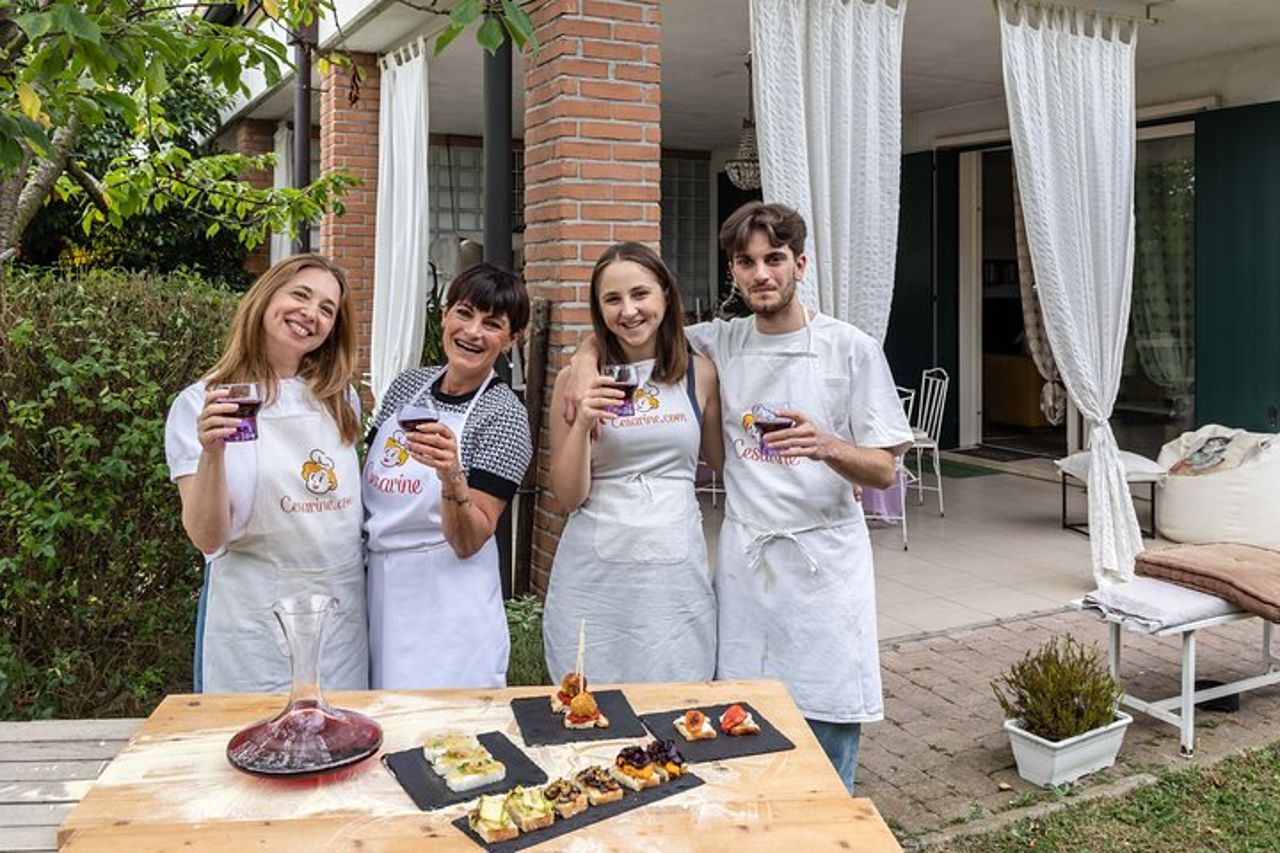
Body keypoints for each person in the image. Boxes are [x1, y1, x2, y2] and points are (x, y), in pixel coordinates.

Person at [564, 203, 912, 793]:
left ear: (799, 264)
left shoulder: (848, 349)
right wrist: (580, 361)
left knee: (823, 739)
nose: (761, 274)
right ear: (733, 272)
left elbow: (884, 470)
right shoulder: (718, 344)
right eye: (746, 263)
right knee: (740, 735)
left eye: (774, 259)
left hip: (823, 568)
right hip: (747, 571)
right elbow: (630, 329)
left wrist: (826, 445)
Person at [165, 253, 367, 694]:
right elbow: (207, 538)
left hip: (339, 619)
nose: (310, 313)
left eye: (327, 309)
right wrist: (211, 451)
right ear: (266, 296)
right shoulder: (203, 402)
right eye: (300, 294)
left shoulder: (339, 398)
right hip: (252, 622)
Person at [542, 242, 722, 685]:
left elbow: (727, 464)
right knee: (588, 703)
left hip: (674, 578)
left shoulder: (701, 374)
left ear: (665, 293)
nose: (629, 311)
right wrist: (583, 422)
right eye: (612, 299)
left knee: (677, 701)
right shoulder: (575, 380)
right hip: (595, 577)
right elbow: (567, 497)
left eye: (640, 294)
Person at [362, 263, 532, 689]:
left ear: (511, 340)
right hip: (379, 587)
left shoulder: (505, 417)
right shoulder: (406, 388)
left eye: (492, 324)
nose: (473, 332)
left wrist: (452, 478)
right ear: (444, 315)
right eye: (465, 313)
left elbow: (470, 539)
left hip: (448, 605)